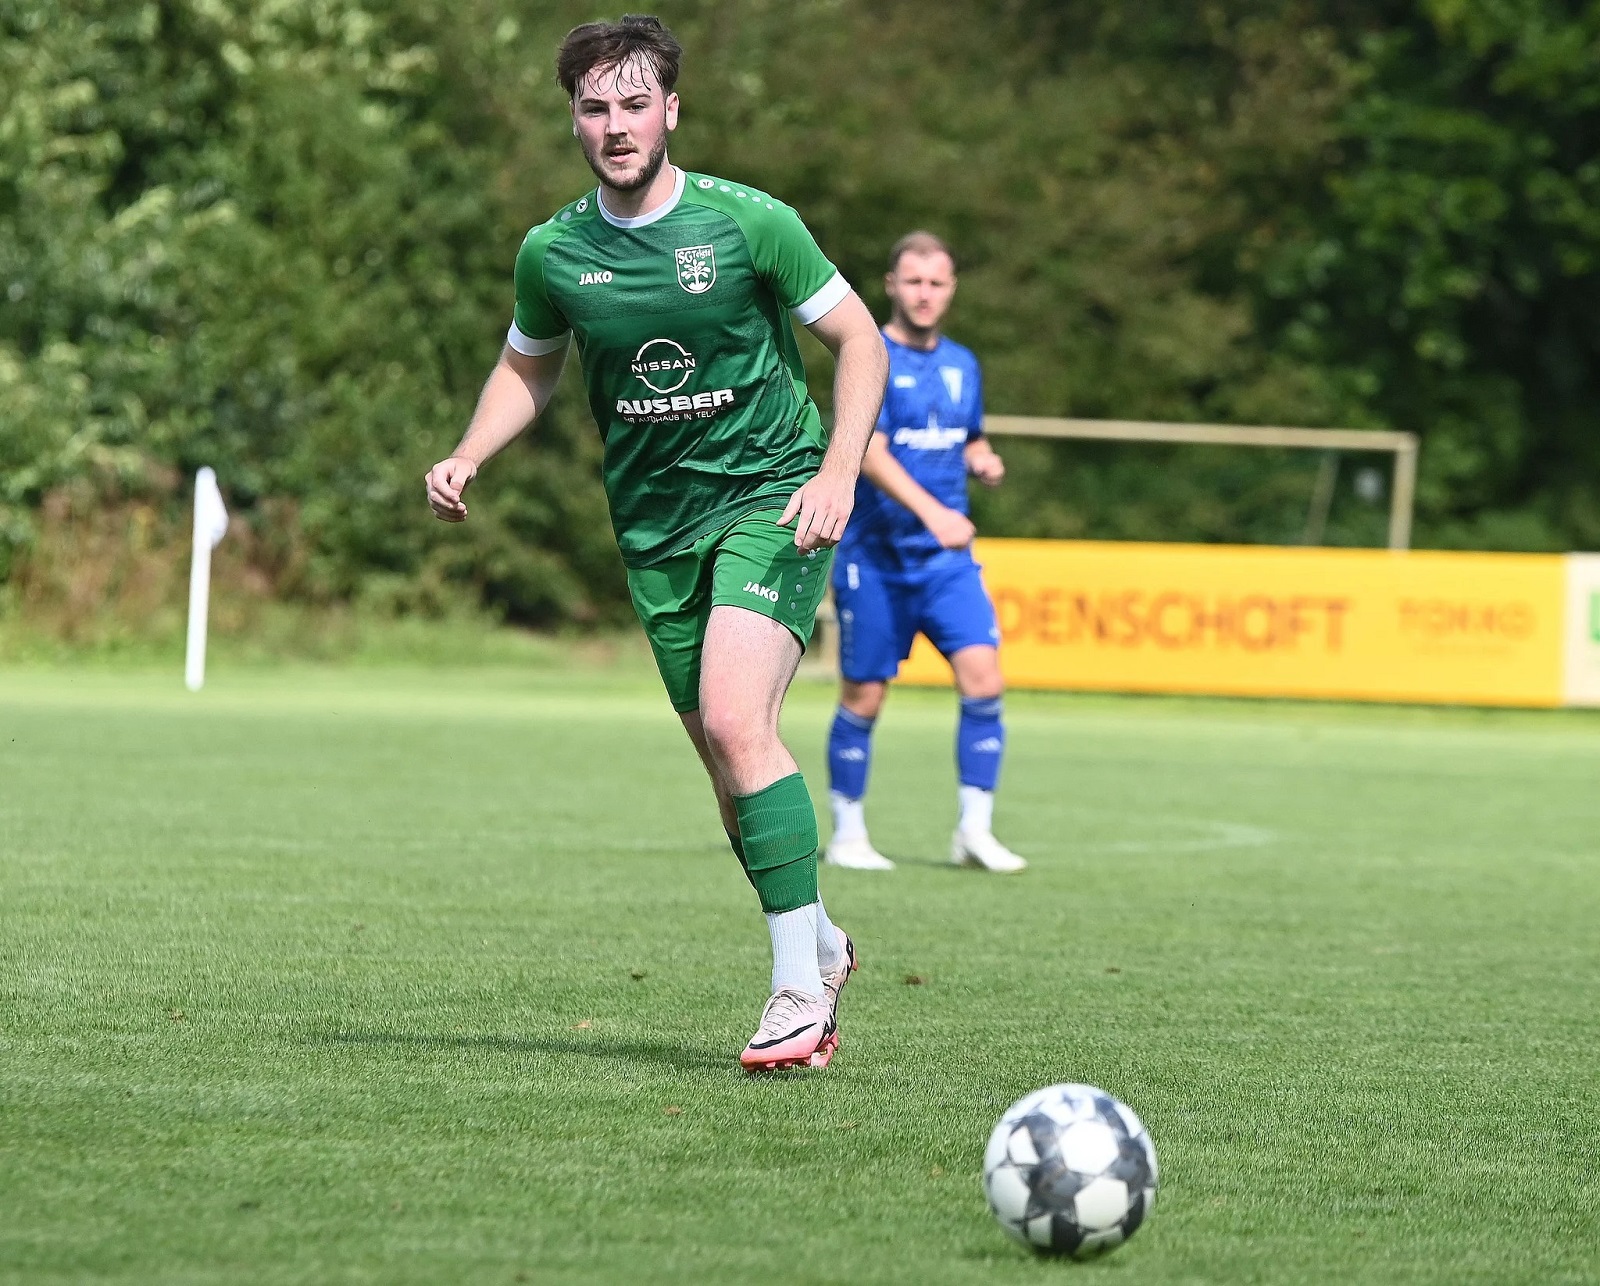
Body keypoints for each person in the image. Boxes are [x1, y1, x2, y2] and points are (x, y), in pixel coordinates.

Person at [423, 16, 888, 1071]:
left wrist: (836, 472)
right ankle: (820, 938)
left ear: (671, 110)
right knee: (729, 772)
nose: (616, 125)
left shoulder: (748, 224)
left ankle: (793, 994)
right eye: (595, 107)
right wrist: (468, 453)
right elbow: (527, 367)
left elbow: (856, 337)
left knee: (736, 718)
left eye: (635, 105)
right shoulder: (554, 252)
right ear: (574, 118)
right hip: (654, 531)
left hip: (774, 498)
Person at [824, 232, 1026, 873]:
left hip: (945, 565)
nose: (924, 293)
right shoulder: (871, 356)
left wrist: (981, 459)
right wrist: (934, 511)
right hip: (878, 558)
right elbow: (871, 449)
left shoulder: (963, 363)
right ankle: (848, 833)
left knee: (984, 679)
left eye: (936, 283)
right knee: (864, 696)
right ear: (890, 285)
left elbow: (967, 436)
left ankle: (974, 830)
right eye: (913, 281)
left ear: (951, 290)